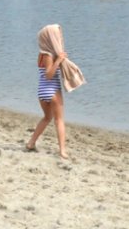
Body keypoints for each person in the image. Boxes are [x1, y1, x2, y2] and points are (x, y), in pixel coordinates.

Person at [26, 24, 85, 158]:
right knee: (59, 120)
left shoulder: (41, 54)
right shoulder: (48, 55)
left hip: (42, 91)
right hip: (52, 90)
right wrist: (58, 61)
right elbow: (48, 75)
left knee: (47, 118)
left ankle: (31, 143)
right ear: (51, 38)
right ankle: (62, 150)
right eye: (57, 36)